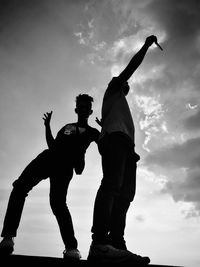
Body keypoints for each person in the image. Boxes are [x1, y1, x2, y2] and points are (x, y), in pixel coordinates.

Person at [87, 35, 160, 264]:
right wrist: (146, 46)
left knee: (126, 195)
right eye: (123, 81)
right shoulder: (112, 90)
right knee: (111, 186)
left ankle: (116, 243)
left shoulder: (120, 104)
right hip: (115, 141)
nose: (126, 83)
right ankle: (99, 242)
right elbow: (132, 66)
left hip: (127, 146)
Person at [0, 94, 100, 260]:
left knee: (58, 204)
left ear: (90, 111)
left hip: (65, 168)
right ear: (76, 109)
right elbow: (54, 145)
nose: (83, 109)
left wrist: (105, 131)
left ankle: (71, 248)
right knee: (19, 187)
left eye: (86, 107)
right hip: (49, 159)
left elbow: (103, 145)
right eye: (80, 107)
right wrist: (47, 127)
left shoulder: (92, 132)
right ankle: (8, 238)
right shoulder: (68, 127)